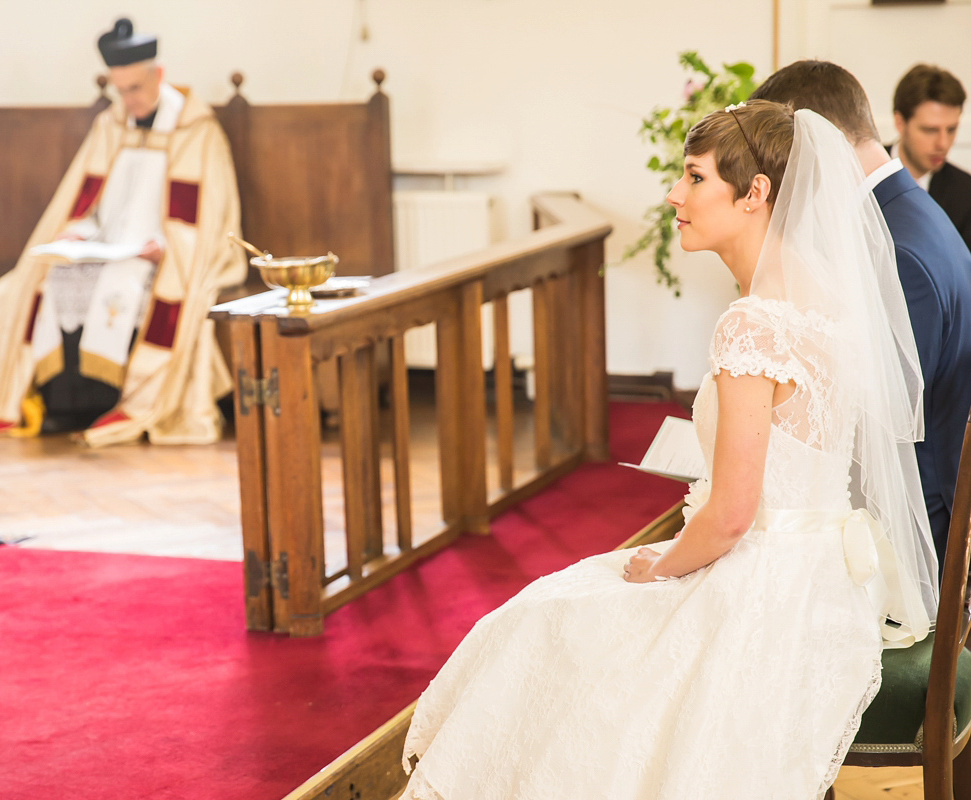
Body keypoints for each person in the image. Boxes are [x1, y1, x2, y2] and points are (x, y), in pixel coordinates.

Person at [400, 101, 940, 800]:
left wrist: (660, 566)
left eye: (693, 177)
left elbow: (734, 516)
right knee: (558, 612)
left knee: (543, 622)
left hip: (766, 590)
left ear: (754, 194)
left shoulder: (754, 325)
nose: (674, 195)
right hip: (829, 578)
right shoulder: (830, 298)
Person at [0, 17, 246, 446]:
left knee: (120, 283)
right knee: (55, 277)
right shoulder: (110, 126)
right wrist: (79, 232)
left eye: (135, 88)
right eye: (120, 91)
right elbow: (86, 201)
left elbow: (213, 217)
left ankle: (120, 401)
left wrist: (167, 248)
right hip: (107, 249)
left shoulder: (197, 132)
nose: (128, 100)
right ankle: (61, 404)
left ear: (158, 75)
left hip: (162, 258)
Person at [750, 60, 971, 563]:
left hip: (920, 523)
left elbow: (884, 418)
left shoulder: (898, 250)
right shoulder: (904, 210)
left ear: (819, 140)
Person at [892, 64, 971, 251]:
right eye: (930, 130)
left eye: (951, 129)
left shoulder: (966, 192)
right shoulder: (859, 171)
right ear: (900, 123)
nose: (943, 144)